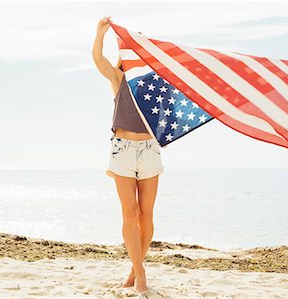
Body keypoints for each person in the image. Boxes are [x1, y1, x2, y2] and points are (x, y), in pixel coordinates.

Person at [92, 16, 164, 293]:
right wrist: (100, 33)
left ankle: (135, 270)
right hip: (122, 149)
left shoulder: (157, 83)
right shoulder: (119, 77)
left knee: (146, 215)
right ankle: (142, 275)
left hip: (149, 151)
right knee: (129, 214)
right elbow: (98, 60)